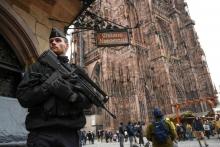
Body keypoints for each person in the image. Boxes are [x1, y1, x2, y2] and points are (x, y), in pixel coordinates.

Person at [16, 28, 92, 147]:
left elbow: (88, 101)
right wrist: (47, 87)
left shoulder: (77, 71)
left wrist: (71, 95)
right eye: (51, 41)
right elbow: (23, 97)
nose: (53, 43)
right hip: (41, 133)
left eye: (58, 40)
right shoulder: (36, 68)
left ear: (66, 45)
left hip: (69, 134)